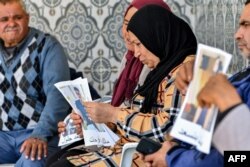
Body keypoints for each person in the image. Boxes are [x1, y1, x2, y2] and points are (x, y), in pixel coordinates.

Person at [56, 4, 197, 166]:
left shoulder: (184, 72)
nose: (136, 53)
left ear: (156, 37)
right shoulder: (162, 69)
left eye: (139, 44)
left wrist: (114, 115)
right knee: (60, 158)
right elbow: (139, 114)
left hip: (140, 156)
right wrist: (97, 124)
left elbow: (167, 130)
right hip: (124, 147)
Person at [142, 0, 250, 166]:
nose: (237, 34)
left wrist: (172, 158)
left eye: (246, 25)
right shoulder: (241, 77)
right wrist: (174, 144)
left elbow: (236, 158)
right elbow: (199, 136)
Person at [0, 0, 70, 166]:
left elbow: (58, 96)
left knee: (32, 162)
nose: (11, 23)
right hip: (3, 137)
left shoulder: (47, 46)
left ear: (27, 18)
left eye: (17, 17)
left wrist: (40, 134)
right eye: (4, 19)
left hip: (39, 133)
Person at [111, 0, 170, 107]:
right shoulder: (129, 57)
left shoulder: (155, 61)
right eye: (126, 24)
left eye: (137, 26)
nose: (128, 33)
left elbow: (143, 111)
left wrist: (109, 114)